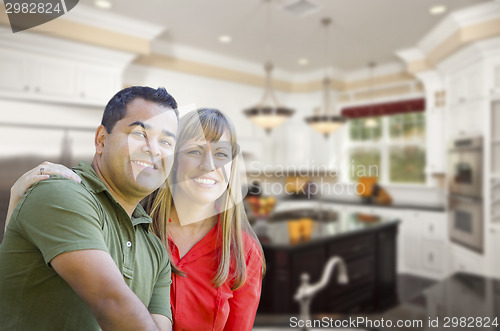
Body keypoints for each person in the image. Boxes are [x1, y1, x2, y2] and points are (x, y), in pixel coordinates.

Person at [4, 108, 265, 331]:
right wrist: (19, 204)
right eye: (194, 151)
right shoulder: (131, 222)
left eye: (221, 154)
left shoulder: (244, 251)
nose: (209, 165)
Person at [0, 86, 179, 331]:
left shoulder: (156, 249)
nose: (154, 149)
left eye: (166, 141)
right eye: (139, 133)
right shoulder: (62, 192)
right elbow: (110, 302)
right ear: (101, 140)